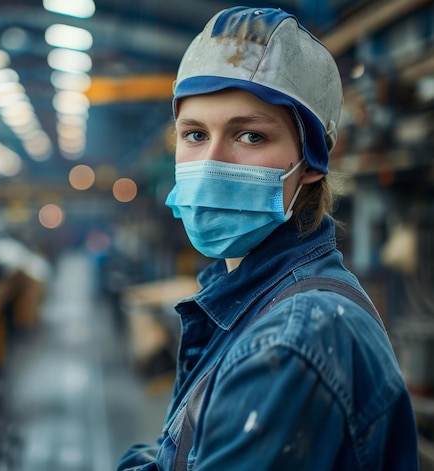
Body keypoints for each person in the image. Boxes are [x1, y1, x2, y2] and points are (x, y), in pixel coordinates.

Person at [117, 6, 419, 471]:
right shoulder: (249, 297)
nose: (212, 162)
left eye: (251, 137)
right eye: (194, 134)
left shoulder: (290, 342)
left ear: (313, 162)